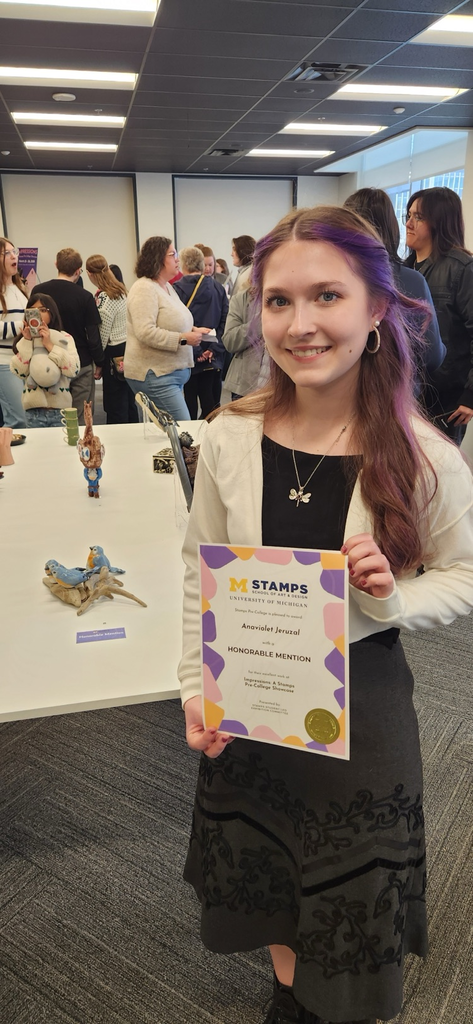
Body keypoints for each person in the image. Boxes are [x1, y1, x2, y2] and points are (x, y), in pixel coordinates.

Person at [178, 206, 473, 1024]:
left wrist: (393, 596)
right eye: (278, 301)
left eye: (326, 297)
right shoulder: (230, 436)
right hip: (248, 705)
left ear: (376, 309)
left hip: (360, 716)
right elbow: (196, 569)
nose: (299, 324)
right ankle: (285, 991)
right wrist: (193, 688)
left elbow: (464, 573)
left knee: (346, 896)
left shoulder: (420, 454)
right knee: (267, 869)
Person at [343, 188, 445, 392]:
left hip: (342, 394)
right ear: (391, 228)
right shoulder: (411, 280)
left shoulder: (333, 279)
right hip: (397, 397)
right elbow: (432, 356)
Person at [404, 186, 473, 445]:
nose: (409, 224)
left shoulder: (462, 269)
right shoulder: (404, 270)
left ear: (439, 222)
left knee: (438, 475)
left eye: (418, 217)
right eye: (408, 215)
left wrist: (470, 395)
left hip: (445, 400)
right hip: (406, 393)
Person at [124, 236, 209, 421]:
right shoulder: (144, 289)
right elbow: (145, 332)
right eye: (173, 254)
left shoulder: (166, 287)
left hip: (170, 374)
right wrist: (184, 338)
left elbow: (172, 319)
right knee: (183, 429)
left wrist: (195, 329)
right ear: (157, 258)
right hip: (154, 374)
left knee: (172, 433)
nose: (178, 259)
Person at [31, 248, 103, 424]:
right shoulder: (85, 297)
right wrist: (99, 363)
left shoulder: (38, 292)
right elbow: (93, 336)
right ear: (78, 271)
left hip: (47, 360)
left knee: (52, 417)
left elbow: (32, 325)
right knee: (81, 416)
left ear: (56, 265)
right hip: (80, 362)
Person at [173, 246, 228, 419]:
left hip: (188, 355)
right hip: (213, 357)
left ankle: (190, 444)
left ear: (183, 265)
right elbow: (225, 323)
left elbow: (176, 324)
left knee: (188, 404)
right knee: (211, 406)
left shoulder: (175, 291)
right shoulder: (219, 288)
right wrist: (212, 350)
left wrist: (197, 351)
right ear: (202, 264)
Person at [10, 293, 79, 427]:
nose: (38, 314)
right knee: (36, 447)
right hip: (33, 411)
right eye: (33, 311)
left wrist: (50, 345)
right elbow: (20, 372)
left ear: (52, 312)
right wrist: (26, 341)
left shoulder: (64, 337)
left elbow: (73, 369)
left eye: (42, 310)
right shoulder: (25, 340)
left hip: (61, 411)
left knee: (60, 446)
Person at [85, 254, 138, 424]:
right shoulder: (122, 291)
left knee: (115, 403)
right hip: (128, 348)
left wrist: (98, 362)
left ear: (89, 274)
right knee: (129, 399)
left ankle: (119, 440)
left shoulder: (104, 298)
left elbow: (102, 334)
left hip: (113, 352)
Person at [222, 273, 265, 402]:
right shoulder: (240, 299)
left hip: (280, 385)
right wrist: (260, 324)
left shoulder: (288, 300)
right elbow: (229, 341)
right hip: (245, 385)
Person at [0, 237, 28, 428]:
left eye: (14, 251)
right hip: (4, 363)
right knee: (18, 421)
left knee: (24, 419)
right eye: (7, 253)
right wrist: (23, 326)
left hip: (22, 362)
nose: (13, 256)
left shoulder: (19, 288)